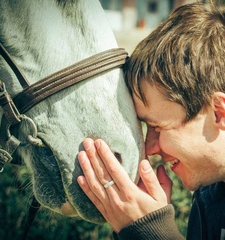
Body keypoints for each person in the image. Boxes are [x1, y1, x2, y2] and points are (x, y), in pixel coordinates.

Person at [77, 2, 225, 240]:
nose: (150, 148)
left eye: (157, 127)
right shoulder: (211, 195)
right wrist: (135, 225)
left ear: (219, 113)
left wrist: (154, 232)